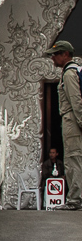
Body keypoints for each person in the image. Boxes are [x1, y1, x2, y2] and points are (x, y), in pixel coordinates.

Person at [43, 40, 82, 209]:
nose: (53, 58)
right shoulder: (74, 71)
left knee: (73, 160)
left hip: (73, 120)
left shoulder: (68, 73)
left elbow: (76, 102)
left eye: (56, 54)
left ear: (65, 54)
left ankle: (75, 200)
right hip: (73, 119)